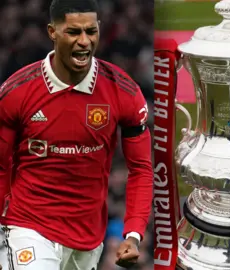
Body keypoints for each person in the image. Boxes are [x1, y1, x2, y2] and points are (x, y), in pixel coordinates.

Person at [0, 0, 153, 269]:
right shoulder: (17, 91)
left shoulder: (123, 91)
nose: (84, 41)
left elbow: (141, 168)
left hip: (88, 239)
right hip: (28, 227)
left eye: (90, 31)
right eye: (73, 32)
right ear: (52, 32)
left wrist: (133, 233)